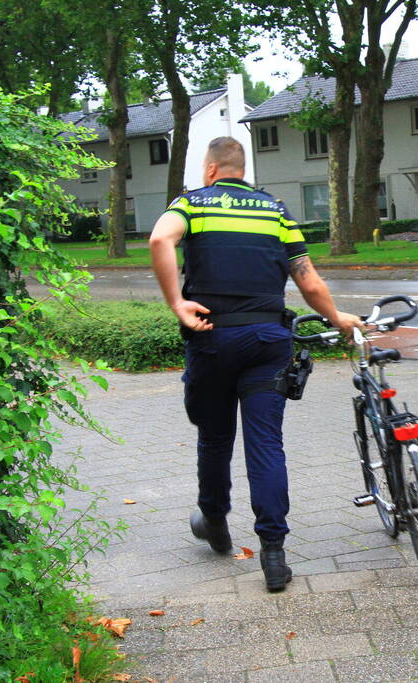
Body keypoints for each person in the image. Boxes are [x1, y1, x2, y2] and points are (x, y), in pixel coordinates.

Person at [148, 136, 362, 592]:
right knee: (265, 444)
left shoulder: (192, 204)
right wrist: (337, 317)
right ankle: (274, 555)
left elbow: (159, 239)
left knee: (215, 436)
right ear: (243, 171)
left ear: (210, 170)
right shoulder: (277, 212)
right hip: (269, 340)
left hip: (213, 338)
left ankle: (216, 523)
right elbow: (308, 279)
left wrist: (177, 303)